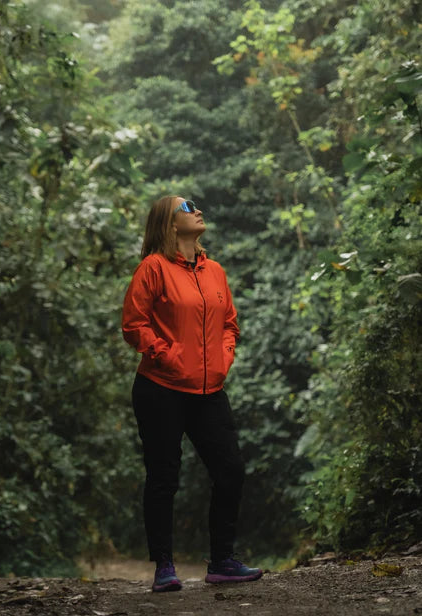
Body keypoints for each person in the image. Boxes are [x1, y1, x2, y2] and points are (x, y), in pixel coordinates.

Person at [122, 195, 262, 592]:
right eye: (187, 206)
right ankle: (164, 567)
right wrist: (166, 355)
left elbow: (230, 324)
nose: (197, 209)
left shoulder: (214, 270)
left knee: (231, 470)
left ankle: (221, 562)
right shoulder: (153, 268)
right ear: (169, 223)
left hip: (209, 389)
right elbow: (134, 324)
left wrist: (224, 358)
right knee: (164, 477)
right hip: (160, 388)